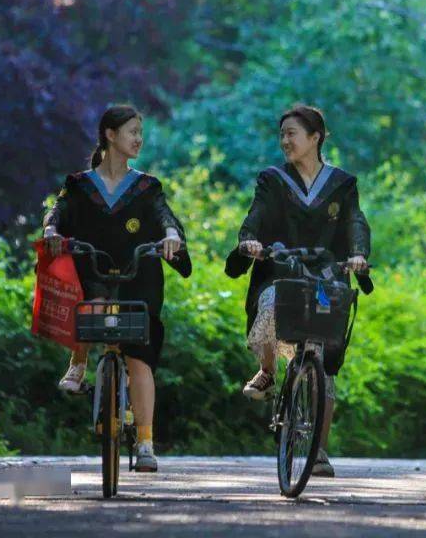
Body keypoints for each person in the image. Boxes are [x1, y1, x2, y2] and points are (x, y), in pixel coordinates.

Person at [225, 104, 372, 478]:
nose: (285, 141)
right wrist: (250, 242)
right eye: (282, 134)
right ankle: (268, 370)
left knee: (323, 365)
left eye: (292, 133)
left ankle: (319, 451)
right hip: (281, 271)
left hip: (325, 277)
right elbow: (256, 216)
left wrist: (357, 255)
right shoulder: (272, 180)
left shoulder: (342, 184)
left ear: (315, 137)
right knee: (270, 302)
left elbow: (355, 222)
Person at [42, 104, 190, 473]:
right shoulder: (79, 184)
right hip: (92, 269)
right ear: (110, 135)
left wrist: (171, 236)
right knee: (88, 301)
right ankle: (78, 360)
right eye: (132, 132)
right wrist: (51, 232)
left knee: (139, 357)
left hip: (138, 274)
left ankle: (145, 442)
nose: (139, 139)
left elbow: (163, 216)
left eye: (141, 133)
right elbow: (57, 212)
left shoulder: (146, 186)